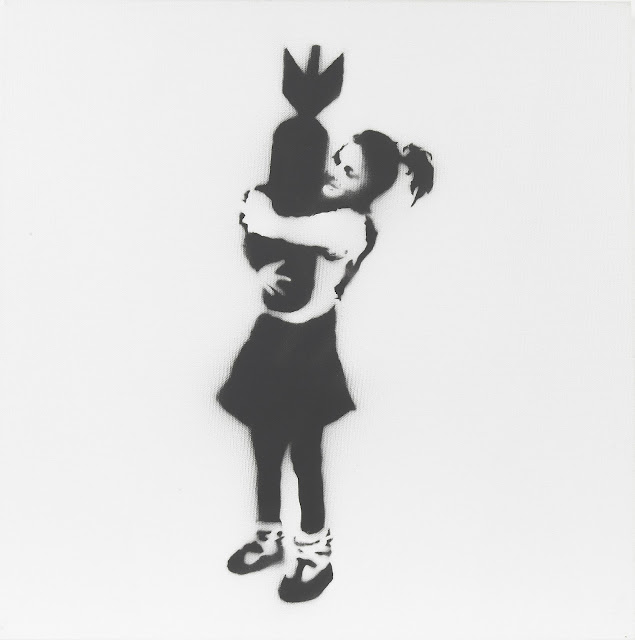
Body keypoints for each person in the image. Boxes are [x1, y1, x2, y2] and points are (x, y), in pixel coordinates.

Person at [218, 130, 434, 603]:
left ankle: (315, 554)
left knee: (304, 455)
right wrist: (260, 266)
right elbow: (268, 239)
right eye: (337, 159)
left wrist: (256, 204)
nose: (333, 171)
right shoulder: (317, 209)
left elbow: (277, 226)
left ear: (368, 188)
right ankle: (268, 535)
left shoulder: (348, 226)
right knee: (264, 445)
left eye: (348, 171)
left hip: (307, 348)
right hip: (272, 338)